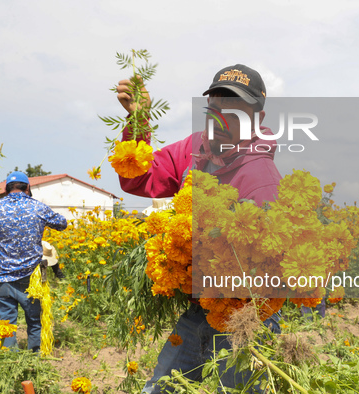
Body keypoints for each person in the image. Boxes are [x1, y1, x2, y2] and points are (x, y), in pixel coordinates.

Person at [116, 64, 282, 393]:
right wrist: (138, 122)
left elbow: (275, 264)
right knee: (162, 388)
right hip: (199, 309)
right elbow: (138, 179)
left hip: (247, 314)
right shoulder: (191, 149)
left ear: (256, 120)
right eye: (216, 109)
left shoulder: (262, 178)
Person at [0, 171, 67, 351]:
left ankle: (9, 361)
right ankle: (34, 359)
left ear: (6, 190)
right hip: (32, 278)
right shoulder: (38, 207)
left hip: (2, 276)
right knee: (35, 322)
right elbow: (62, 223)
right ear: (27, 187)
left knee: (6, 324)